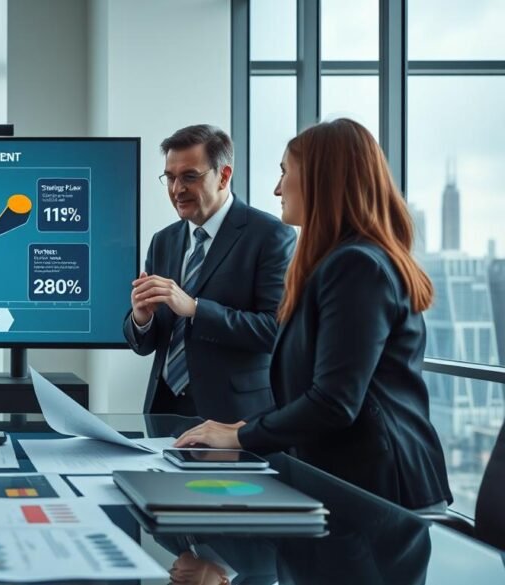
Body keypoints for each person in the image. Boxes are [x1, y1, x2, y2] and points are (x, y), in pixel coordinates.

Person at [175, 118, 452, 511]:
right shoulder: (338, 263)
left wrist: (241, 438)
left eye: (286, 172)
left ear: (322, 179)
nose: (276, 188)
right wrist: (245, 427)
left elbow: (334, 402)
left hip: (382, 493)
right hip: (354, 484)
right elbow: (316, 390)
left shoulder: (357, 267)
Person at [124, 124, 296, 422]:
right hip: (163, 411)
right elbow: (147, 344)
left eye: (190, 176)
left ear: (224, 176)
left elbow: (274, 330)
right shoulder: (163, 240)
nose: (177, 189)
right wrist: (142, 318)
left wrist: (195, 309)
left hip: (234, 418)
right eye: (171, 177)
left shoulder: (270, 236)